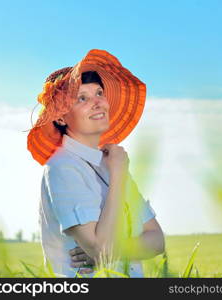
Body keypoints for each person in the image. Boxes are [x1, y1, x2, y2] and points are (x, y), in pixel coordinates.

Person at [26, 49, 165, 277]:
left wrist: (115, 249)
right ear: (60, 117)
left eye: (99, 92)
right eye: (82, 98)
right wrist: (119, 176)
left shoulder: (110, 162)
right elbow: (102, 252)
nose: (98, 102)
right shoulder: (63, 167)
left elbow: (157, 240)